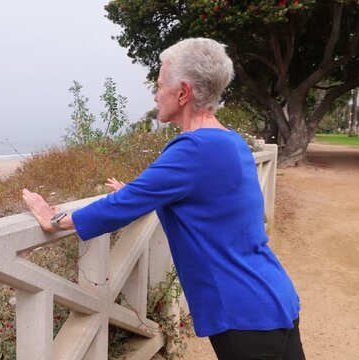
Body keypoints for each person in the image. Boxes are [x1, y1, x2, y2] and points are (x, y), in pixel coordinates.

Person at [22, 37, 305, 360]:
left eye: (159, 85)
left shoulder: (193, 149)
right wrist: (142, 192)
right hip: (274, 294)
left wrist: (55, 220)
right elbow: (207, 200)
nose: (155, 94)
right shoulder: (230, 141)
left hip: (244, 314)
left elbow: (119, 208)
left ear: (183, 93)